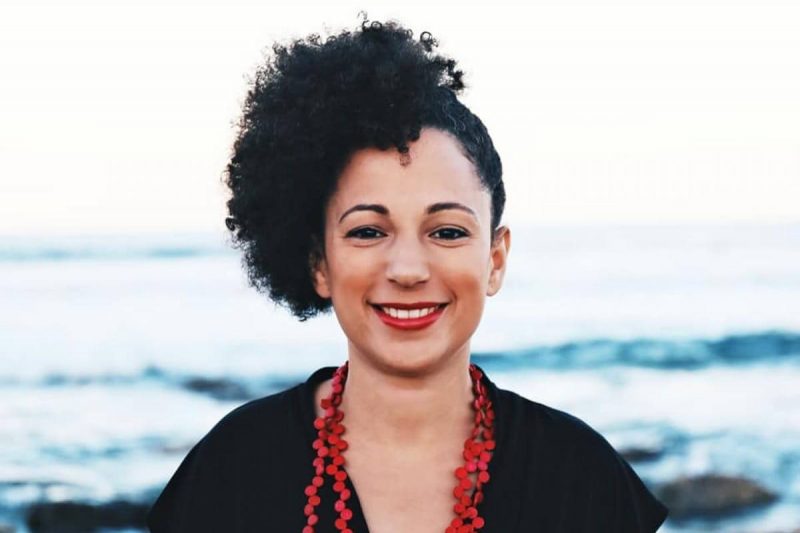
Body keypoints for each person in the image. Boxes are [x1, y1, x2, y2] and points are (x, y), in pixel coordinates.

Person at [147, 15, 669, 533]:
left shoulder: (582, 479)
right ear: (318, 264)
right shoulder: (232, 470)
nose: (408, 269)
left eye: (446, 232)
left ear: (495, 259)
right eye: (368, 231)